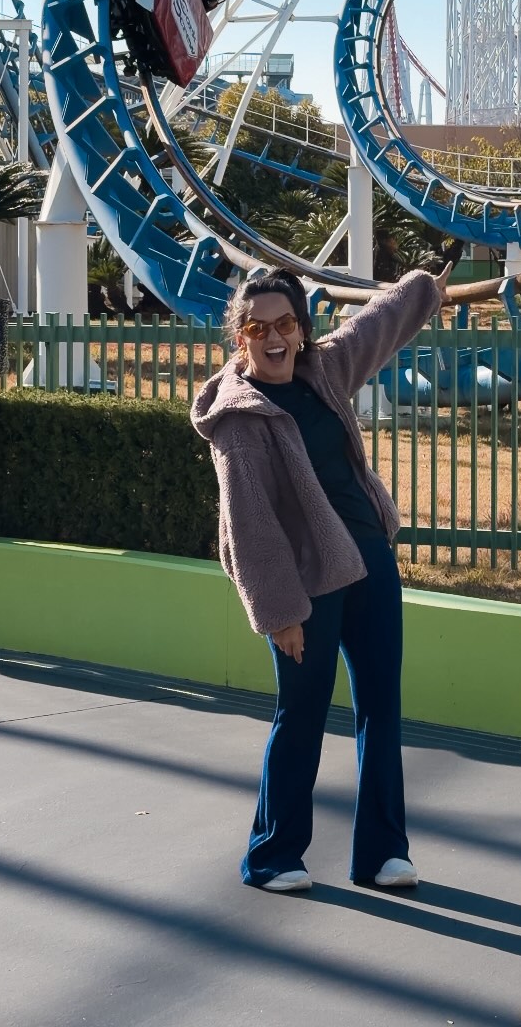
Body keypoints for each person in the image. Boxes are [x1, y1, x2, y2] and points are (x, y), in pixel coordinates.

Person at [191, 263, 452, 894]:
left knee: (381, 707)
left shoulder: (324, 370)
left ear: (302, 330)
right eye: (258, 328)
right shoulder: (239, 419)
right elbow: (248, 525)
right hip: (305, 584)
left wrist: (424, 288)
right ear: (241, 337)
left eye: (285, 324)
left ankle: (383, 853)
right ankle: (273, 855)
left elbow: (376, 327)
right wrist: (279, 612)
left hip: (370, 562)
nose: (274, 338)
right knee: (302, 713)